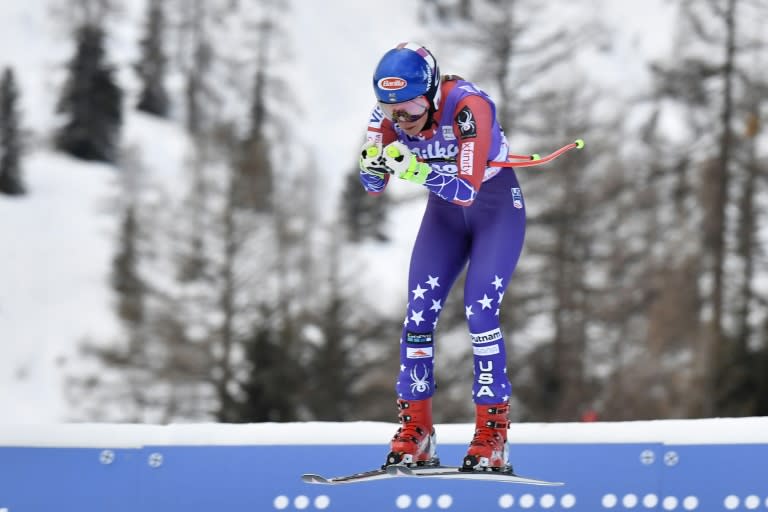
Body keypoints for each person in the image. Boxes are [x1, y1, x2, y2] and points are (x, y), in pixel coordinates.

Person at [358, 42, 526, 472]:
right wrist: (373, 164)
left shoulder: (470, 106)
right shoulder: (391, 115)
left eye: (411, 109)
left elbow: (467, 189)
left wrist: (413, 170)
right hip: (444, 218)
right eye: (389, 108)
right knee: (417, 315)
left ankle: (492, 435)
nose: (402, 121)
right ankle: (416, 430)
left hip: (493, 211)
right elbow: (371, 184)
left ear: (432, 93)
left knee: (479, 313)